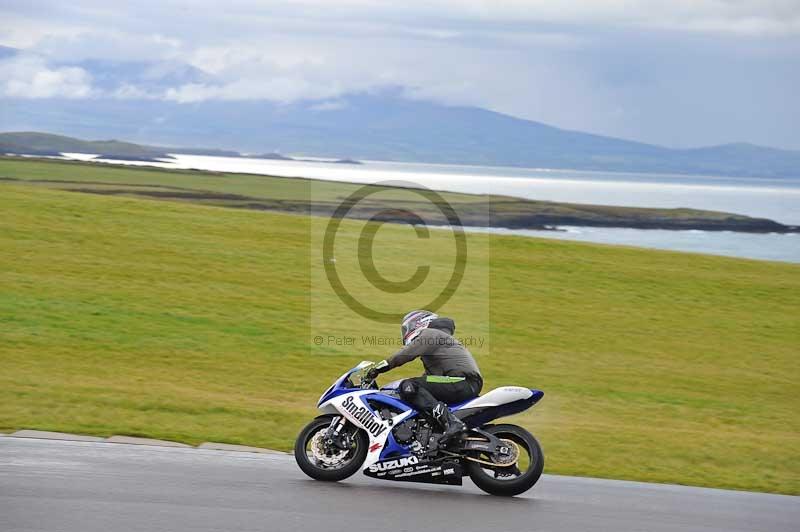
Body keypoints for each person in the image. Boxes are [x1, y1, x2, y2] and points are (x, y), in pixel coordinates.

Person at [365, 310, 483, 442]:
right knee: (413, 388)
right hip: (461, 382)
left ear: (420, 324)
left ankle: (452, 422)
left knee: (409, 385)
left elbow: (406, 354)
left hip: (461, 381)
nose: (405, 333)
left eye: (407, 328)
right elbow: (430, 379)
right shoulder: (440, 343)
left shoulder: (431, 334)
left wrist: (379, 368)